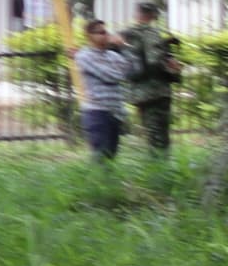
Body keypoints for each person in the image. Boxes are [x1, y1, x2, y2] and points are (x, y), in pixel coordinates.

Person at [72, 20, 136, 163]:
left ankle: (106, 178)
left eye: (106, 32)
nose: (106, 35)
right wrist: (119, 73)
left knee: (111, 157)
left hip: (115, 112)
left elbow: (133, 70)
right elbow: (109, 76)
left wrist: (124, 47)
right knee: (100, 157)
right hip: (97, 113)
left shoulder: (113, 56)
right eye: (101, 32)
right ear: (89, 36)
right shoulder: (84, 56)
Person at [124, 10, 181, 157]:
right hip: (153, 91)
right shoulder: (141, 33)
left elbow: (162, 61)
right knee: (159, 133)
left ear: (137, 15)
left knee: (156, 132)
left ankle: (159, 163)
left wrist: (171, 64)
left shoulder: (130, 34)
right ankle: (160, 163)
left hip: (149, 92)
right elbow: (156, 62)